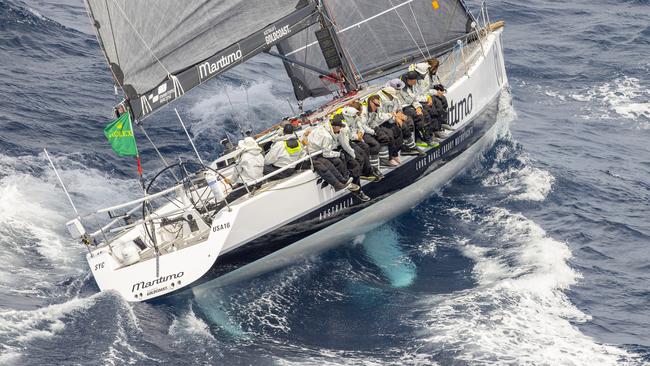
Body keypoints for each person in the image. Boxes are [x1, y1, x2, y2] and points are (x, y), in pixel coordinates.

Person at [307, 115, 369, 200]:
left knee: (343, 162)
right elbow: (327, 153)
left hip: (322, 151)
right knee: (341, 161)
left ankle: (346, 181)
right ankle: (348, 184)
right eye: (339, 128)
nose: (340, 130)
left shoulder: (325, 128)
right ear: (335, 127)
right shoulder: (327, 136)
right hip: (317, 154)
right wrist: (339, 154)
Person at [341, 103, 383, 181]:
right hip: (351, 140)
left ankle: (368, 168)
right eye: (355, 115)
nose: (357, 116)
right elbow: (348, 135)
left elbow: (361, 127)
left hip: (358, 138)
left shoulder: (356, 118)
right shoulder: (344, 123)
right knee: (361, 152)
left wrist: (360, 133)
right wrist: (357, 136)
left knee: (366, 147)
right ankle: (367, 171)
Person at [382, 81, 422, 156]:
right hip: (386, 122)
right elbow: (384, 116)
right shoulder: (383, 101)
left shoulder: (394, 97)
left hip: (394, 116)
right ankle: (403, 149)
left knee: (408, 121)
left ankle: (411, 146)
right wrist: (395, 117)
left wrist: (400, 113)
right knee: (399, 127)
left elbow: (399, 107)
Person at [362, 94, 400, 167]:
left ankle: (389, 158)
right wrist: (373, 132)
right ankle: (378, 165)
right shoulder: (364, 111)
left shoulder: (374, 110)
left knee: (388, 134)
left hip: (371, 128)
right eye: (375, 104)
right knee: (376, 143)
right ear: (370, 102)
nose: (376, 107)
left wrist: (376, 128)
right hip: (363, 132)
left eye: (378, 105)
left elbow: (374, 120)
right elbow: (363, 126)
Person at [399, 71, 436, 148]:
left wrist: (419, 107)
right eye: (414, 81)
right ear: (409, 80)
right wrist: (417, 108)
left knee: (425, 113)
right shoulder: (402, 88)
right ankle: (423, 139)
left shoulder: (411, 85)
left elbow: (414, 98)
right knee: (419, 116)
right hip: (404, 107)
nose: (415, 82)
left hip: (412, 104)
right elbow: (410, 100)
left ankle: (428, 136)